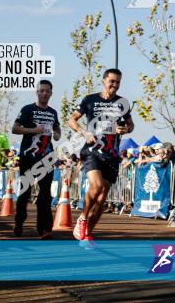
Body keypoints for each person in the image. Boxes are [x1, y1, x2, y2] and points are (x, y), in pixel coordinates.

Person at [67, 68, 135, 247]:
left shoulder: (122, 103)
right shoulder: (90, 100)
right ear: (104, 80)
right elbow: (71, 120)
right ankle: (82, 218)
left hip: (112, 155)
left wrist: (125, 129)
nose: (115, 85)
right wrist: (83, 132)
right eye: (112, 81)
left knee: (102, 197)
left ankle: (87, 234)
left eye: (118, 82)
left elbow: (130, 125)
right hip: (92, 151)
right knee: (96, 186)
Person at [11, 80, 62, 239]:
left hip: (46, 158)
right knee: (25, 192)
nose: (44, 93)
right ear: (37, 92)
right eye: (42, 91)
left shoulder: (53, 112)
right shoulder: (28, 109)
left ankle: (45, 228)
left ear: (51, 93)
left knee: (45, 194)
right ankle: (19, 223)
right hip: (28, 156)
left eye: (47, 91)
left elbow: (57, 128)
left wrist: (57, 134)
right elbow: (15, 128)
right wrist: (34, 130)